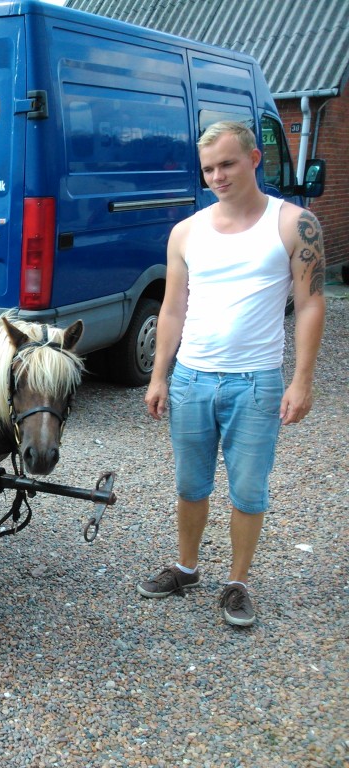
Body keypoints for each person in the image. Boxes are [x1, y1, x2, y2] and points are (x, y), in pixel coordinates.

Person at [138, 120, 326, 627]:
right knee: (190, 484)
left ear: (254, 159)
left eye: (227, 163)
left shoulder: (293, 224)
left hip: (256, 383)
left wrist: (301, 380)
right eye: (208, 169)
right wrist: (159, 376)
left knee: (248, 491)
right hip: (192, 379)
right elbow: (172, 309)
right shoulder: (187, 232)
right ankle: (186, 566)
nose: (217, 176)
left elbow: (310, 304)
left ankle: (237, 583)